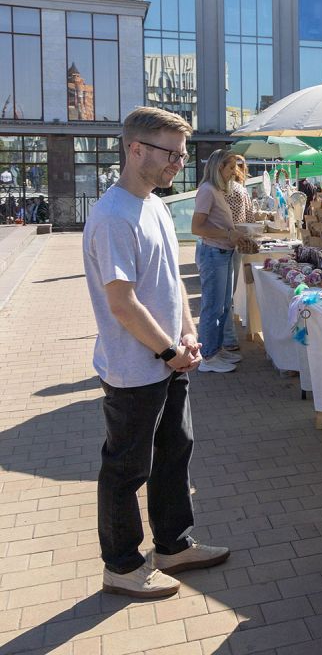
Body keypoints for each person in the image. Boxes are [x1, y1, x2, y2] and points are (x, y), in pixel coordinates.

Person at [82, 106, 230, 600]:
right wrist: (169, 349)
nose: (178, 164)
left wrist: (188, 336)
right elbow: (122, 303)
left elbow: (168, 285)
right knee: (126, 468)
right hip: (133, 368)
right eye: (171, 153)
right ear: (135, 148)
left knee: (175, 454)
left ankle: (173, 545)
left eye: (182, 155)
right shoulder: (112, 216)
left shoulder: (157, 206)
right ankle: (121, 565)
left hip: (170, 360)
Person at [191, 150, 245, 373]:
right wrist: (227, 234)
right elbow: (197, 227)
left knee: (223, 306)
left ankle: (216, 349)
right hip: (214, 253)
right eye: (230, 167)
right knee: (213, 307)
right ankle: (208, 357)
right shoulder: (207, 191)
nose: (235, 172)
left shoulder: (217, 190)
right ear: (218, 168)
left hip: (223, 253)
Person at [221, 155, 251, 354]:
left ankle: (226, 337)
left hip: (222, 243)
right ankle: (227, 338)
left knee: (222, 296)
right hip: (231, 243)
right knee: (225, 296)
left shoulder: (220, 189)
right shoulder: (237, 190)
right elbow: (250, 218)